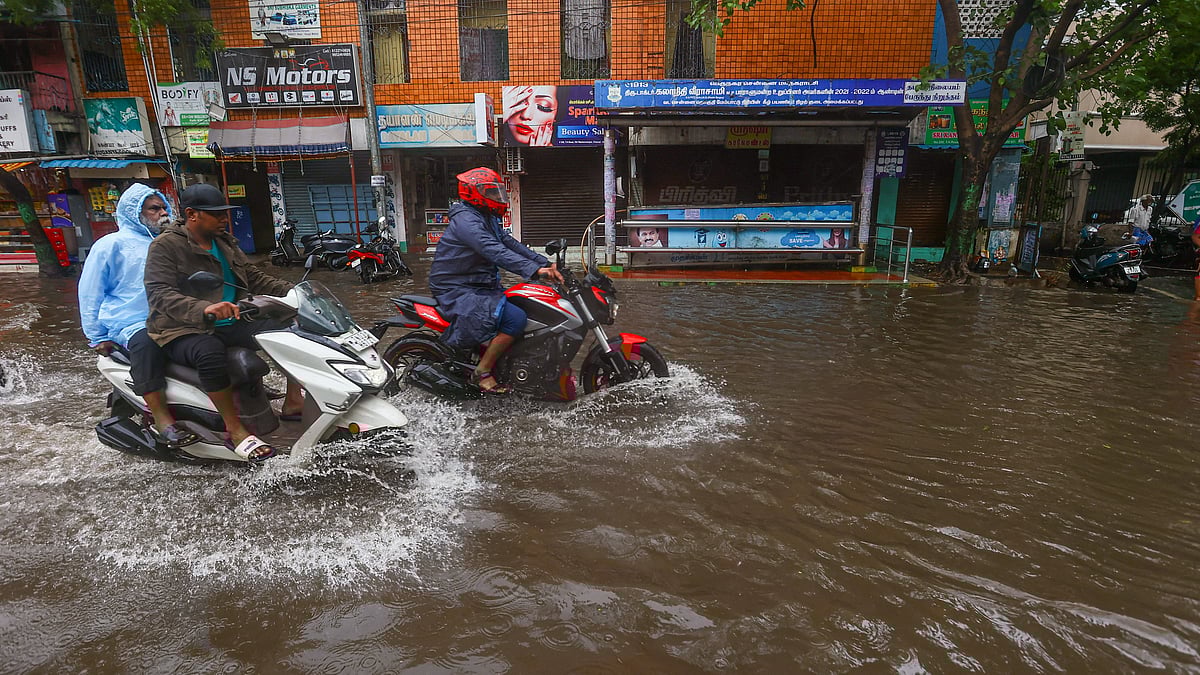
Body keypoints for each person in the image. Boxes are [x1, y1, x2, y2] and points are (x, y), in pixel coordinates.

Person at [143, 183, 304, 462]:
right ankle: (234, 429)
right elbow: (159, 293)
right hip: (184, 327)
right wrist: (205, 308)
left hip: (234, 319)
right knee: (210, 354)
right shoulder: (166, 246)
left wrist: (296, 292)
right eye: (216, 214)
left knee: (293, 330)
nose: (223, 219)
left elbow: (253, 277)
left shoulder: (225, 242)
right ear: (192, 214)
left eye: (224, 213)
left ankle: (293, 401)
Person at [79, 183, 199, 448]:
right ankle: (163, 420)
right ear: (135, 212)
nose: (163, 213)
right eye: (154, 209)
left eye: (164, 208)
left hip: (173, 316)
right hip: (130, 322)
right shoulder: (111, 245)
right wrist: (96, 336)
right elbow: (90, 292)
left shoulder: (169, 243)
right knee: (147, 344)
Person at [428, 167, 563, 394]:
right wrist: (535, 271)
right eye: (491, 193)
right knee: (515, 319)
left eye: (497, 193)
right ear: (474, 193)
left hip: (481, 285)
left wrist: (543, 263)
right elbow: (494, 250)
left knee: (528, 307)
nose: (497, 198)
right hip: (457, 288)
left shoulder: (486, 217)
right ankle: (482, 371)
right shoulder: (467, 221)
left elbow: (509, 243)